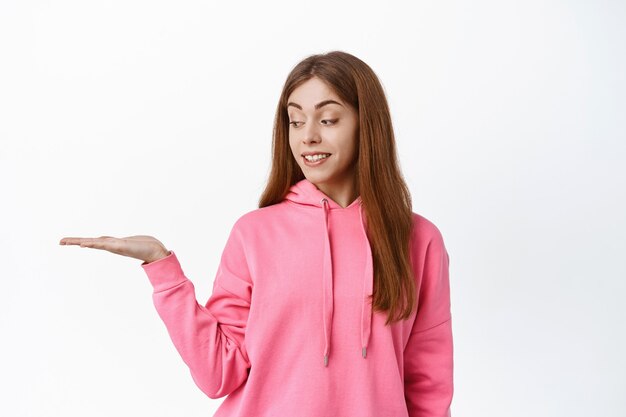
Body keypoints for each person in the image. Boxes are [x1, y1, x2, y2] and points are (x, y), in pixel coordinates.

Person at [59, 50, 454, 417]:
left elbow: (428, 386)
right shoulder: (255, 233)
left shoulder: (418, 239)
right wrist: (162, 267)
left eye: (328, 119)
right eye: (295, 121)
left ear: (367, 125)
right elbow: (219, 375)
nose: (307, 136)